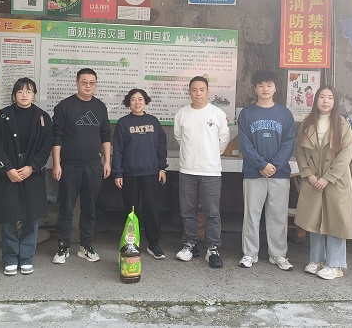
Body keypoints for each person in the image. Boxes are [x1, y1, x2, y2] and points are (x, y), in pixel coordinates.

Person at [0, 78, 52, 276]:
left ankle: (26, 257)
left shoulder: (42, 117)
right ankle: (10, 257)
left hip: (32, 174)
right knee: (8, 217)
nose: (24, 95)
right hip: (9, 173)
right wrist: (8, 168)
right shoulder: (3, 116)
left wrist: (33, 167)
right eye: (20, 91)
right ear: (14, 94)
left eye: (29, 91)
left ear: (34, 95)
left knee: (32, 218)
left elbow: (46, 146)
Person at [294, 86, 352, 280]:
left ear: (335, 102)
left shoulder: (343, 125)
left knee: (336, 222)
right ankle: (316, 260)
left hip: (336, 181)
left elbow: (346, 155)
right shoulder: (306, 124)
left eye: (330, 97)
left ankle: (335, 265)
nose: (325, 101)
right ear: (316, 100)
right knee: (314, 219)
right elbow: (300, 151)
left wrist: (327, 178)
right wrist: (310, 175)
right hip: (313, 180)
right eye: (322, 97)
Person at [51, 68, 111, 264]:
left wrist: (107, 161)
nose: (88, 86)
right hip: (69, 166)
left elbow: (105, 135)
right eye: (84, 82)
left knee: (90, 208)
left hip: (93, 165)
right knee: (66, 208)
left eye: (92, 82)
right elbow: (57, 136)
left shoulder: (100, 107)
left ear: (96, 84)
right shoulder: (64, 106)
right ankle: (63, 247)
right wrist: (56, 164)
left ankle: (86, 246)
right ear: (77, 83)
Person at [237, 70, 296, 271]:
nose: (265, 89)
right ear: (255, 88)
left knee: (278, 215)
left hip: (280, 173)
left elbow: (289, 143)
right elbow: (245, 144)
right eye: (261, 85)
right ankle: (250, 253)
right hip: (254, 172)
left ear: (275, 88)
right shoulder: (246, 114)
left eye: (269, 85)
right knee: (251, 214)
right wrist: (261, 165)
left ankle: (278, 254)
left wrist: (274, 165)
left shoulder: (285, 114)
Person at [174, 76, 230, 268]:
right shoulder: (182, 113)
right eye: (194, 89)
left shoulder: (217, 113)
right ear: (189, 92)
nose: (198, 93)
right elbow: (179, 137)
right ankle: (190, 244)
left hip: (211, 171)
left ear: (208, 91)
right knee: (187, 210)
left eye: (202, 89)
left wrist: (210, 154)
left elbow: (223, 139)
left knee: (212, 212)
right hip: (187, 170)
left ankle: (213, 248)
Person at [112, 89, 168, 259]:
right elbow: (118, 150)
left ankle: (153, 243)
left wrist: (162, 168)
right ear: (128, 102)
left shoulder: (153, 121)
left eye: (140, 99)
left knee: (151, 208)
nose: (137, 102)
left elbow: (161, 146)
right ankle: (131, 243)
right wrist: (118, 173)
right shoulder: (123, 123)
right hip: (129, 174)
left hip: (150, 172)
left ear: (146, 101)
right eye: (133, 99)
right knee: (131, 210)